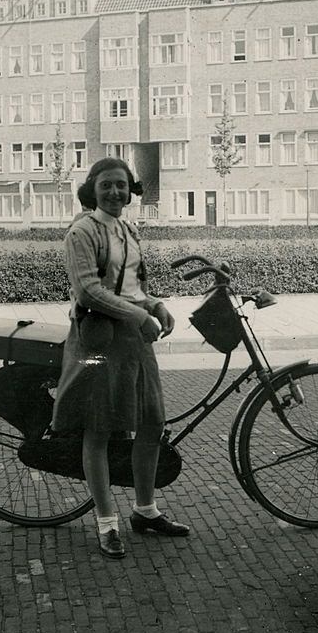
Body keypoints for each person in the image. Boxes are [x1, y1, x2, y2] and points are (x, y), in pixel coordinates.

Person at [51, 157, 189, 559]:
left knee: (151, 421)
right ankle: (107, 522)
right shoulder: (83, 231)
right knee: (100, 429)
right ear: (93, 188)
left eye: (122, 185)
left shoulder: (127, 229)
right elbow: (89, 292)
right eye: (107, 185)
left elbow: (133, 286)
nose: (115, 192)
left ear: (131, 192)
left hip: (134, 339)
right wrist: (138, 314)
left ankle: (145, 511)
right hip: (99, 339)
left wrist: (156, 305)